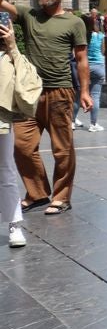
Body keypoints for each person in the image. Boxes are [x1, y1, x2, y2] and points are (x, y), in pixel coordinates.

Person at [0, 0, 91, 216]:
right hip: (29, 93)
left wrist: (84, 91)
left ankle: (61, 197)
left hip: (60, 92)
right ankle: (37, 193)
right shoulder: (29, 16)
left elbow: (81, 59)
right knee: (21, 146)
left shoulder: (74, 22)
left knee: (62, 149)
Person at [0, 19, 40, 247]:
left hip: (1, 118)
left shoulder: (10, 57)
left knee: (5, 170)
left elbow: (29, 80)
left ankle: (14, 224)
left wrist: (13, 46)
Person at [74, 14, 106, 132]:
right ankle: (93, 124)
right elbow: (103, 51)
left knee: (78, 95)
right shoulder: (101, 35)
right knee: (95, 96)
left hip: (84, 66)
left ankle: (72, 121)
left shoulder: (81, 36)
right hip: (98, 66)